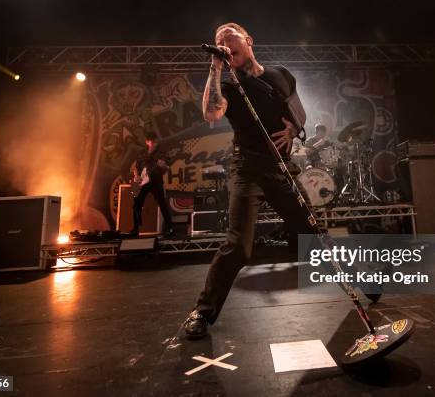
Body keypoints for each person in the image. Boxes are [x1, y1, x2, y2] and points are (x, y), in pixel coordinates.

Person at [183, 23, 316, 338]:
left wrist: (294, 129)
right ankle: (202, 312)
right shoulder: (229, 84)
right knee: (238, 246)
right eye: (218, 40)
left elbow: (300, 112)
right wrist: (216, 66)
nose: (223, 41)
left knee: (314, 233)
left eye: (228, 35)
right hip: (247, 169)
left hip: (281, 167)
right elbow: (211, 113)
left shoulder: (279, 75)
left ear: (248, 40)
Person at [131, 132, 175, 237]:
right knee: (136, 205)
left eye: (155, 141)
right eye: (152, 141)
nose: (154, 143)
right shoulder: (142, 153)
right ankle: (135, 229)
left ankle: (170, 227)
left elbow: (167, 168)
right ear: (147, 142)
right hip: (141, 182)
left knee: (162, 204)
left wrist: (163, 166)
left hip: (155, 181)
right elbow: (136, 168)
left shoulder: (161, 153)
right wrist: (136, 176)